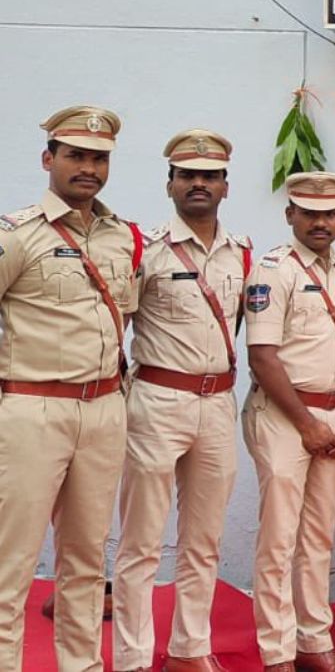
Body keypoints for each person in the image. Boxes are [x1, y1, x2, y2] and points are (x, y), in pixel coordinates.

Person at [0, 106, 140, 671]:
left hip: (103, 410)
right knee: (13, 560)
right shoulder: (17, 234)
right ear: (48, 159)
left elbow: (122, 318)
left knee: (86, 561)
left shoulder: (122, 237)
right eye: (76, 156)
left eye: (98, 158)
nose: (88, 168)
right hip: (34, 410)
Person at [113, 129, 248, 672]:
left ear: (225, 186)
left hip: (216, 406)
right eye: (187, 175)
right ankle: (133, 657)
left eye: (209, 176)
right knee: (141, 542)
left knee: (203, 541)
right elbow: (113, 323)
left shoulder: (243, 255)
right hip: (157, 401)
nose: (198, 184)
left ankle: (190, 650)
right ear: (170, 183)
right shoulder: (143, 249)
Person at [243, 171, 335, 672]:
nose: (320, 222)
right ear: (290, 213)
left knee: (318, 536)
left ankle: (314, 641)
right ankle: (276, 650)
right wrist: (308, 424)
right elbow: (263, 357)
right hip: (285, 417)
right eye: (309, 212)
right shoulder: (272, 270)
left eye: (329, 212)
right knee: (280, 535)